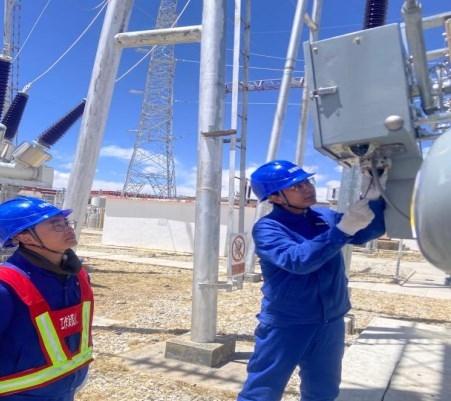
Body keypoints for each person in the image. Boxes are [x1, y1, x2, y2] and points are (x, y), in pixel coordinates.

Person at [237, 160, 386, 401]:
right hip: (287, 323)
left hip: (330, 320)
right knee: (263, 390)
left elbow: (368, 231)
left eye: (307, 181)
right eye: (296, 186)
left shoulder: (325, 217)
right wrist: (343, 229)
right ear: (274, 197)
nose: (307, 188)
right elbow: (298, 261)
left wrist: (374, 199)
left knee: (323, 391)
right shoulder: (268, 228)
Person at [0, 196, 94, 400]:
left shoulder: (78, 277)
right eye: (56, 225)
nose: (68, 228)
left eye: (66, 222)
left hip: (66, 392)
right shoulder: (6, 287)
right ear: (25, 237)